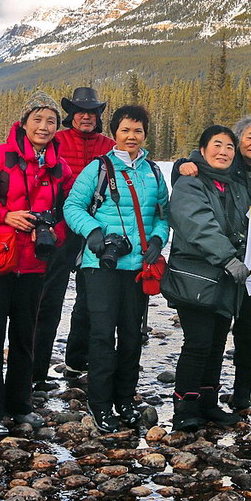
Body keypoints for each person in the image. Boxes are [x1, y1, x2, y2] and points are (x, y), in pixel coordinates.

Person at [0, 90, 72, 439]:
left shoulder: (59, 168)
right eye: (37, 119)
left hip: (35, 263)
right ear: (23, 122)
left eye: (51, 120)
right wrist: (5, 216)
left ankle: (20, 405)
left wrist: (57, 234)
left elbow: (71, 210)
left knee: (26, 338)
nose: (44, 126)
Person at [174, 114, 251, 415]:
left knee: (241, 333)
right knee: (201, 340)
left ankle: (235, 396)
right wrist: (181, 165)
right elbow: (200, 169)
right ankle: (188, 409)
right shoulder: (215, 172)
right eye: (249, 137)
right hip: (214, 269)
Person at [62, 104, 168, 434]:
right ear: (115, 134)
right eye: (125, 130)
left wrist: (157, 239)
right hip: (100, 266)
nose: (131, 136)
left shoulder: (153, 171)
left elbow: (164, 214)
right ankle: (100, 404)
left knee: (133, 336)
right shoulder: (99, 168)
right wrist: (93, 232)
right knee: (102, 335)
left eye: (138, 130)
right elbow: (72, 206)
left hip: (137, 267)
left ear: (145, 134)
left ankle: (124, 399)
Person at [165, 125, 251, 431]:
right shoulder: (190, 183)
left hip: (226, 279)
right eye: (217, 145)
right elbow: (198, 225)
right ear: (202, 150)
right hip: (195, 277)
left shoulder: (234, 186)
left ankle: (208, 402)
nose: (224, 152)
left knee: (216, 343)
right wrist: (228, 258)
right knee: (198, 342)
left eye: (230, 147)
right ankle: (184, 407)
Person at [32, 86, 114, 390]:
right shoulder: (56, 140)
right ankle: (36, 370)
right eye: (80, 111)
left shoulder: (110, 145)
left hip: (96, 232)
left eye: (92, 112)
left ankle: (77, 362)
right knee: (48, 299)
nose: (86, 117)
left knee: (90, 299)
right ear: (71, 115)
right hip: (61, 230)